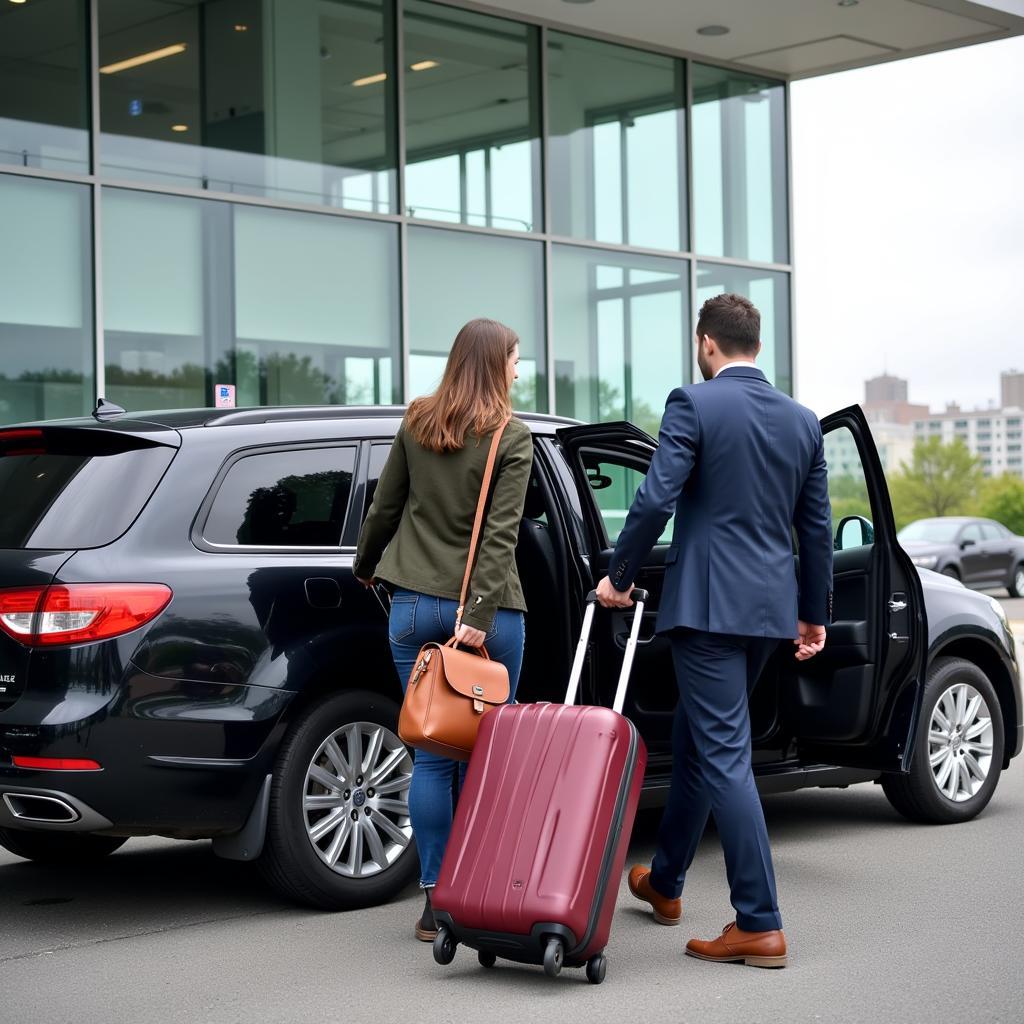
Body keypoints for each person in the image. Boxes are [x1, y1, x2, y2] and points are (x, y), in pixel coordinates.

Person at [596, 293, 832, 969]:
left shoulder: (694, 403)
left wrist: (618, 574)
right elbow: (814, 527)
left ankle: (759, 921)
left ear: (707, 344)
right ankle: (665, 883)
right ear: (755, 344)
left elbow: (656, 496)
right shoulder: (802, 422)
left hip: (706, 608)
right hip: (767, 612)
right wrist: (813, 613)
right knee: (702, 744)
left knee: (723, 753)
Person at [353, 317, 532, 942]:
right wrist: (478, 618)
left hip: (409, 609)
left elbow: (385, 507)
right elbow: (499, 535)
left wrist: (366, 566)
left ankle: (435, 901)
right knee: (485, 759)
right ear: (493, 364)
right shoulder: (511, 435)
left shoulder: (418, 420)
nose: (518, 369)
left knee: (431, 754)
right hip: (483, 618)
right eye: (514, 359)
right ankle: (480, 889)